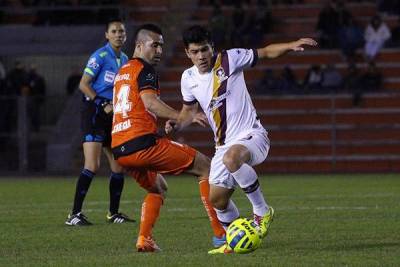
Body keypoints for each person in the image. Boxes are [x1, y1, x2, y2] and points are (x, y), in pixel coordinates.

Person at [172, 25, 317, 254]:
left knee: (232, 159)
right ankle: (235, 240)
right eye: (195, 51)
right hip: (222, 145)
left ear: (212, 48)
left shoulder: (230, 59)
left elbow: (266, 52)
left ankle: (262, 211)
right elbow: (188, 111)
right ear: (187, 53)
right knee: (217, 200)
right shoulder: (187, 78)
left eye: (205, 49)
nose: (201, 56)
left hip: (252, 135)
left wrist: (289, 46)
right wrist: (177, 123)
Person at [111, 24, 226, 252]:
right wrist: (184, 115)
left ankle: (144, 239)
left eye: (162, 46)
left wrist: (163, 124)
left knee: (158, 188)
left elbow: (135, 108)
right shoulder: (145, 70)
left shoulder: (123, 71)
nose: (159, 51)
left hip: (121, 149)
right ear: (139, 45)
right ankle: (221, 235)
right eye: (155, 46)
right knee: (206, 167)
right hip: (142, 143)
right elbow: (150, 102)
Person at [65, 19, 134, 226]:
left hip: (112, 114)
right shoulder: (100, 56)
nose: (118, 34)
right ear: (107, 35)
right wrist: (101, 102)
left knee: (118, 166)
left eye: (121, 31)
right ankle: (74, 214)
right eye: (114, 31)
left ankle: (113, 214)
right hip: (94, 112)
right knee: (92, 165)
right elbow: (83, 84)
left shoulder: (124, 58)